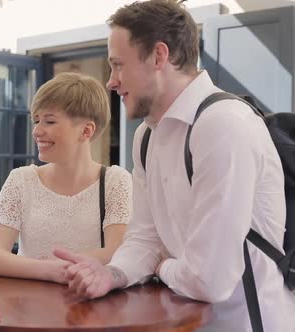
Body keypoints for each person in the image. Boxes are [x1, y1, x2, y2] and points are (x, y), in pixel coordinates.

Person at [55, 1, 295, 331]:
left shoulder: (223, 125)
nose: (111, 81)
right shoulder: (145, 137)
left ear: (158, 56)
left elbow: (209, 280)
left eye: (118, 65)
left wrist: (162, 265)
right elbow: (144, 237)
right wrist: (112, 273)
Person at [0, 72, 131, 284]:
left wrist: (48, 268)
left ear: (86, 130)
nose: (36, 131)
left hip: (89, 306)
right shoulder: (21, 180)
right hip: (27, 308)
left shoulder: (115, 182)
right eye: (36, 120)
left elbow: (117, 252)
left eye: (49, 121)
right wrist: (50, 271)